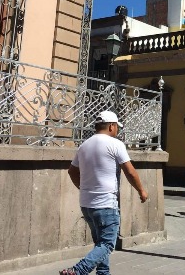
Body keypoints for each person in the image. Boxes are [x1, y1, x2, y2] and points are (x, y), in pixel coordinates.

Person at [60, 110, 148, 275]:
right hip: (106, 204)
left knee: (100, 244)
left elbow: (72, 171)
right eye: (117, 127)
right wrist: (141, 190)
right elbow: (130, 172)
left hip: (86, 204)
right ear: (111, 126)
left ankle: (103, 272)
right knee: (107, 244)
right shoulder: (115, 144)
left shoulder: (84, 145)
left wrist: (83, 187)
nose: (117, 130)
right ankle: (77, 271)